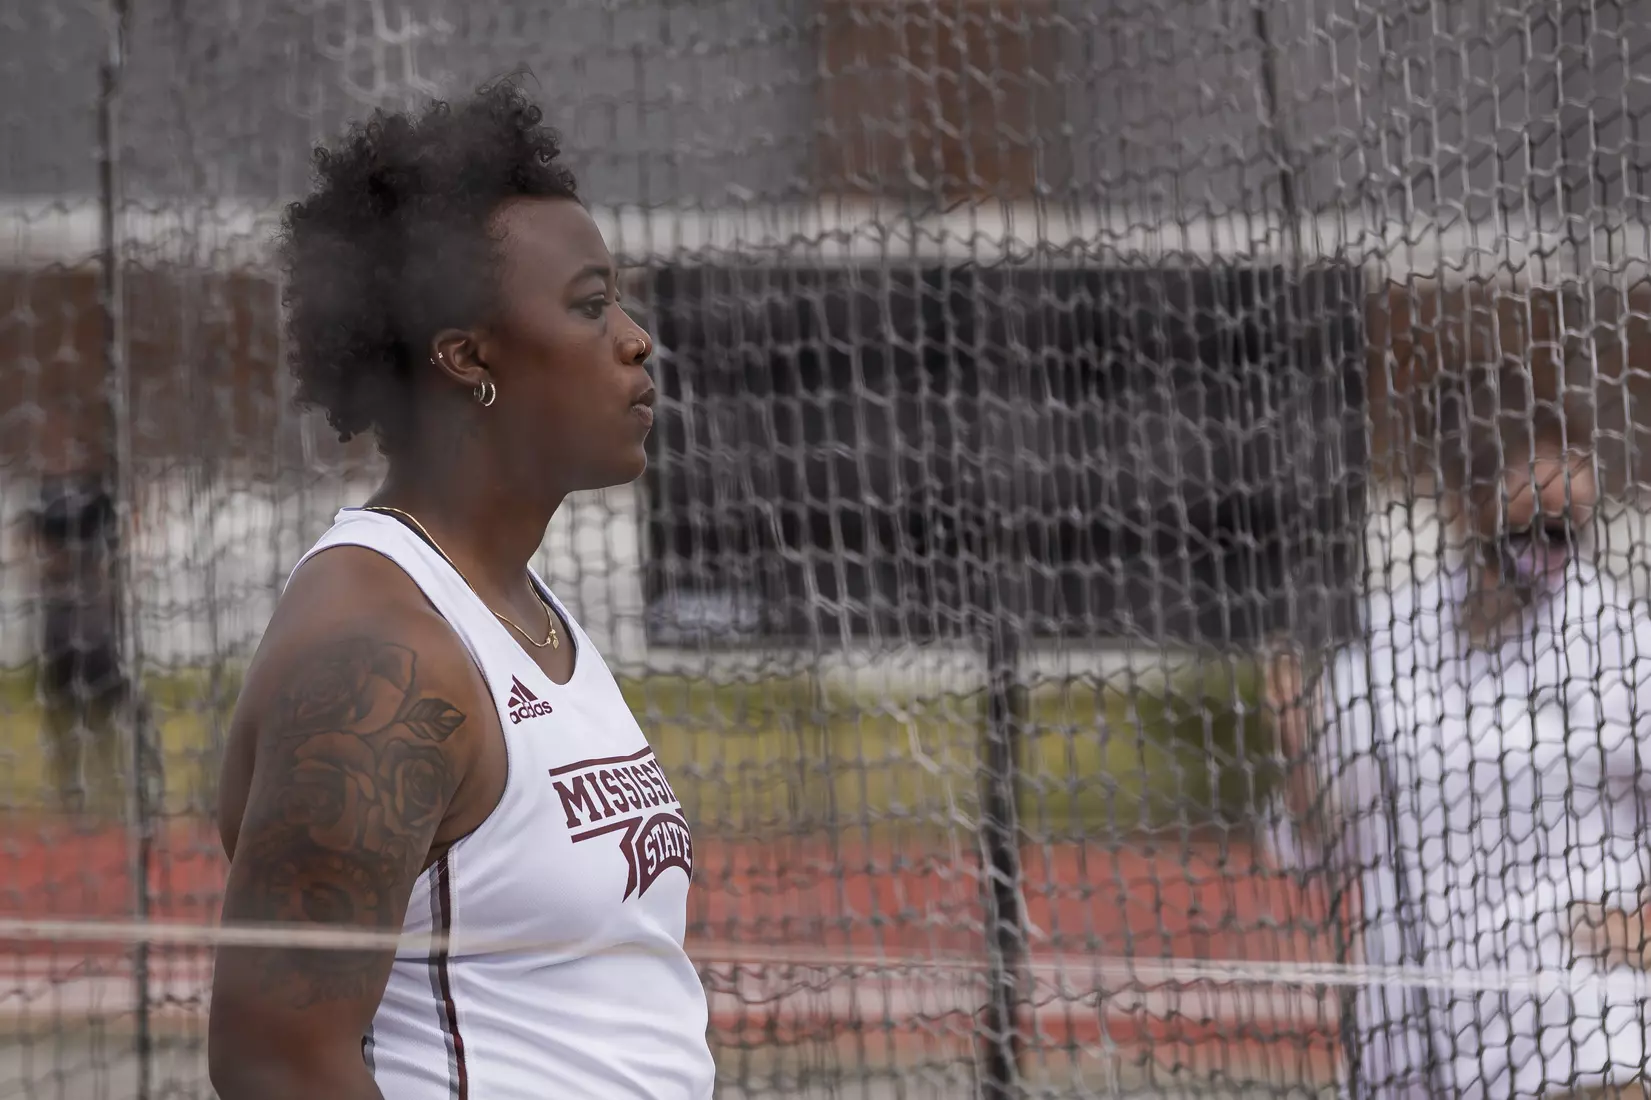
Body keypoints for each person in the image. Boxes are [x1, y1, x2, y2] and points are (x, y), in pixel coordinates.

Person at [207, 78, 712, 1100]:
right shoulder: (385, 650)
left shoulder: (530, 614)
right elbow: (273, 1064)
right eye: (587, 304)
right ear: (466, 356)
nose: (634, 336)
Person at [1266, 375, 1651, 1100]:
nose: (1548, 550)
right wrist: (1296, 749)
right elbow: (1316, 844)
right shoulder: (1387, 643)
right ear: (1461, 509)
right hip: (1413, 1045)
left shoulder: (1620, 642)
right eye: (1531, 526)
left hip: (1580, 1046)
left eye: (1567, 529)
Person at [28, 472, 127, 817]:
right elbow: (33, 550)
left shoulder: (98, 495)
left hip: (93, 628)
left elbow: (114, 550)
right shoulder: (45, 495)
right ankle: (69, 794)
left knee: (102, 718)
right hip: (59, 630)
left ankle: (108, 792)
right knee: (61, 715)